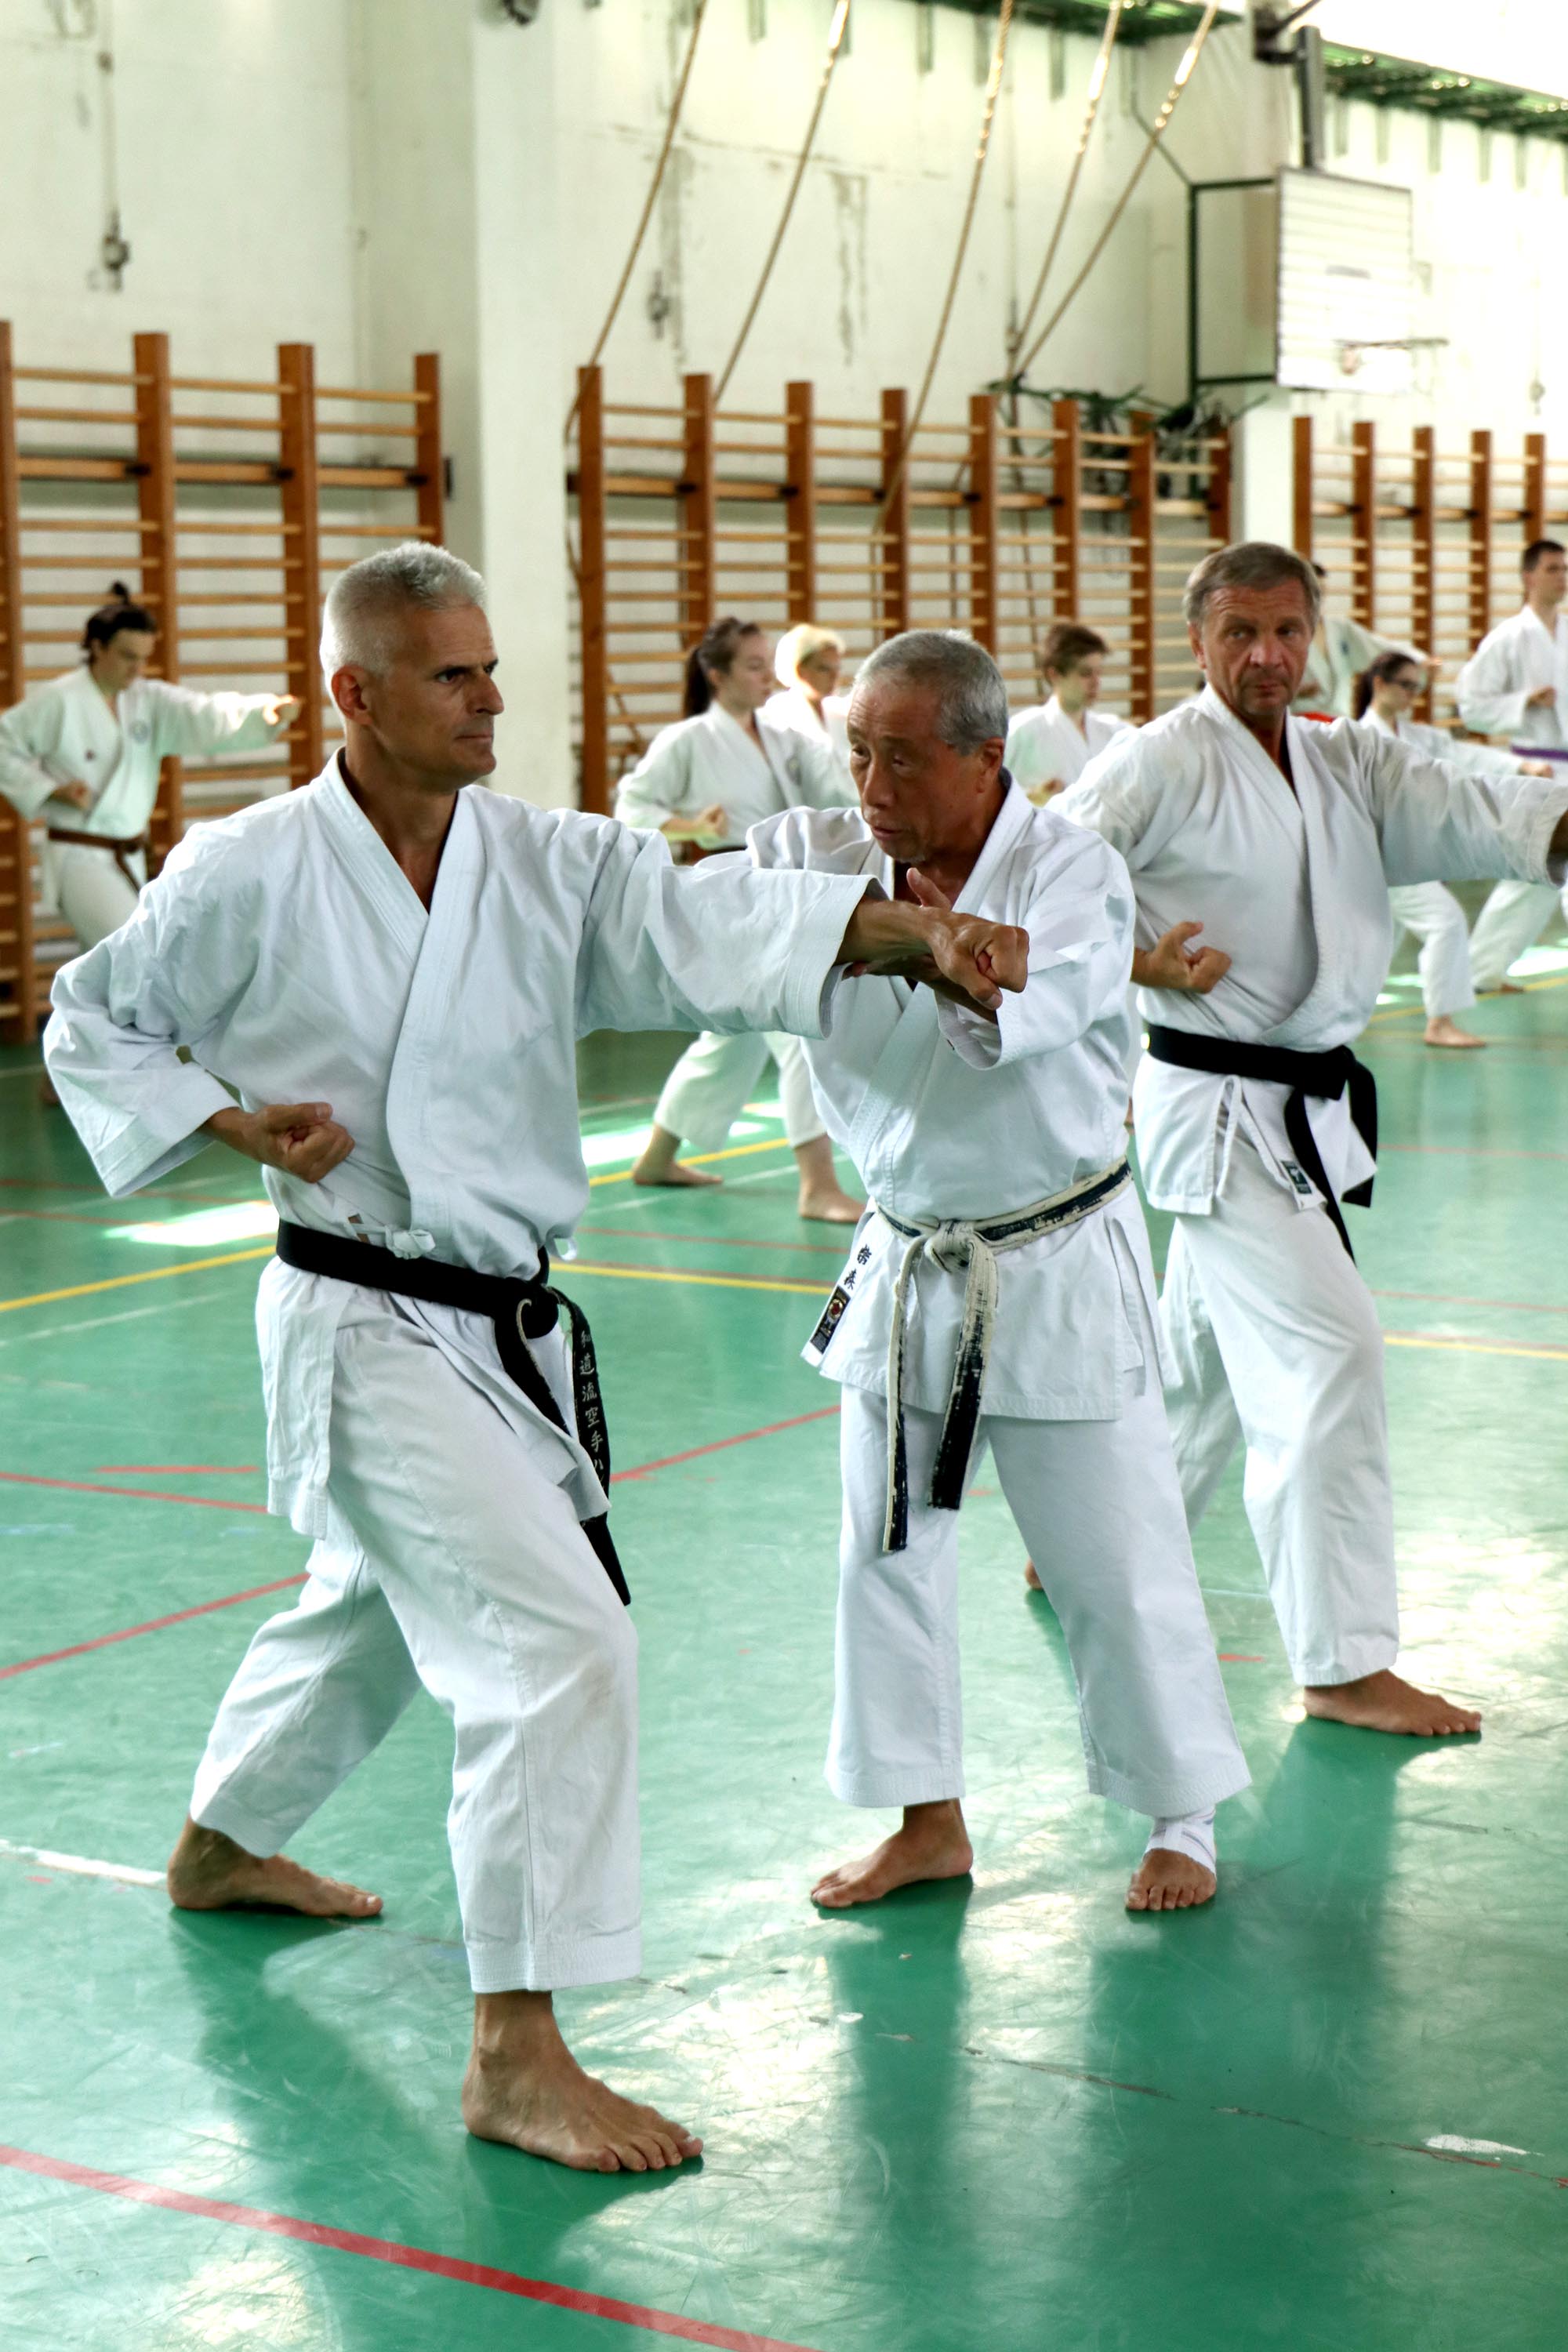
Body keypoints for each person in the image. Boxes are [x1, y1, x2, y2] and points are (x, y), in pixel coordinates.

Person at [44, 543, 1025, 2175]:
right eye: (453, 675)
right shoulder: (248, 869)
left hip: (491, 1314)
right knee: (556, 1642)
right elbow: (94, 1020)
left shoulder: (537, 855)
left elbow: (697, 914)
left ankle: (220, 1845)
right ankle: (516, 2050)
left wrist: (900, 935)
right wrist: (228, 1123)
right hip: (360, 1311)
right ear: (357, 695)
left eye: (492, 668)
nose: (491, 699)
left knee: (371, 1607)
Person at [750, 631, 1250, 1917]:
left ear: (987, 759)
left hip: (1053, 1254)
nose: (873, 786)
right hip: (909, 1255)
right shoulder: (818, 854)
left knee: (1114, 1560)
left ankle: (1182, 1810)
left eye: (904, 759)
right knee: (885, 1552)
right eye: (858, 753)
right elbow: (692, 915)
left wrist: (907, 945)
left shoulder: (1073, 869)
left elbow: (1037, 993)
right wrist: (912, 932)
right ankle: (926, 1821)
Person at [1057, 541, 1568, 1740]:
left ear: (1316, 637)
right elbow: (1048, 881)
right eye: (1240, 632)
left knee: (1199, 1379)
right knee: (1331, 1356)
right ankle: (1341, 1665)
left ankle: (1086, 1541)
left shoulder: (1347, 758)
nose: (1267, 656)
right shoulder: (1158, 760)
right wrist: (1138, 961)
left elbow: (1473, 802)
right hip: (1221, 1112)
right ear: (1199, 640)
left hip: (1298, 1107)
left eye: (1288, 631)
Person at [618, 615, 862, 1221]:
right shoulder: (688, 740)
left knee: (733, 1041)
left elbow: (836, 792)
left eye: (765, 666)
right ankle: (817, 1185)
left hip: (782, 889)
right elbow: (631, 807)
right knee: (799, 1024)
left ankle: (656, 1157)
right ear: (717, 675)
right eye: (752, 667)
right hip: (726, 893)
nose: (764, 678)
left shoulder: (784, 738)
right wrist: (690, 825)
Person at [0, 584, 298, 953]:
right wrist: (50, 790)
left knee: (114, 964)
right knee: (133, 953)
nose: (137, 668)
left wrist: (261, 711)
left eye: (143, 658)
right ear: (97, 647)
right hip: (79, 855)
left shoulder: (147, 700)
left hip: (130, 854)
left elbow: (202, 713)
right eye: (127, 656)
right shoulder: (60, 699)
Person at [1354, 652, 1554, 1049]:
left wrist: (1520, 767)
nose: (1412, 695)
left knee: (1379, 944)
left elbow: (1464, 755)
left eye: (1417, 687)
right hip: (1376, 856)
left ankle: (1347, 1013)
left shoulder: (1415, 736)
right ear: (1379, 684)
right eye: (1405, 685)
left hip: (1402, 855)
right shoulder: (1359, 738)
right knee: (1444, 923)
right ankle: (1439, 1023)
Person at [1457, 539, 1568, 992]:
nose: (1562, 576)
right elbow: (1471, 706)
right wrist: (1524, 701)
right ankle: (1476, 971)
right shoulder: (1508, 638)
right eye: (1552, 568)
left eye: (1565, 568)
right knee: (1532, 874)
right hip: (1537, 769)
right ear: (1528, 577)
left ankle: (1479, 971)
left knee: (1538, 877)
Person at [1004, 622, 1132, 804]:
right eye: (1085, 673)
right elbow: (991, 795)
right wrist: (1033, 796)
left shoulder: (1115, 732)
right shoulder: (1024, 731)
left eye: (1099, 672)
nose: (1096, 682)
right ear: (1055, 675)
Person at [1291, 564, 1429, 718]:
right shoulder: (1286, 632)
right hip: (1299, 719)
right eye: (1313, 590)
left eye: (1323, 589)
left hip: (1339, 719)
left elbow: (1378, 647)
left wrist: (1417, 659)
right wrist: (1296, 692)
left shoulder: (1340, 629)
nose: (1319, 595)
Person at [764, 622, 852, 779]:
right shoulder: (778, 713)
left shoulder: (840, 712)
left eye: (837, 668)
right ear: (799, 670)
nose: (834, 677)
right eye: (824, 669)